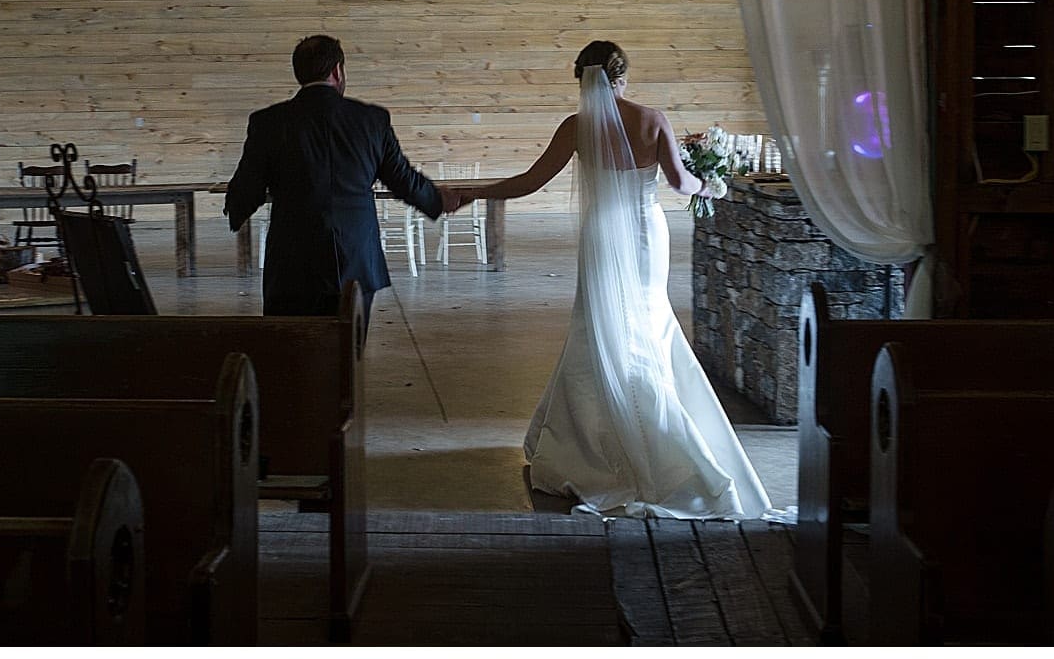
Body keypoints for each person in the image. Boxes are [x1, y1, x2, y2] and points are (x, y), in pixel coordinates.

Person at [448, 41, 776, 520]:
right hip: (646, 234)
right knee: (646, 321)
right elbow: (681, 183)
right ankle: (656, 435)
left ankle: (588, 442)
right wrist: (713, 185)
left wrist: (473, 191)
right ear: (623, 75)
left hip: (601, 236)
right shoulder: (652, 119)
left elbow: (529, 182)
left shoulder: (577, 127)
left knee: (599, 324)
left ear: (583, 78)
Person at [224, 34, 459, 325]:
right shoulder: (371, 120)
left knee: (291, 350)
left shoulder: (268, 122)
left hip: (293, 261)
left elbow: (247, 187)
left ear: (299, 73)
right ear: (338, 71)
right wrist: (436, 199)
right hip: (356, 258)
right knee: (349, 353)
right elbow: (400, 177)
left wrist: (235, 209)